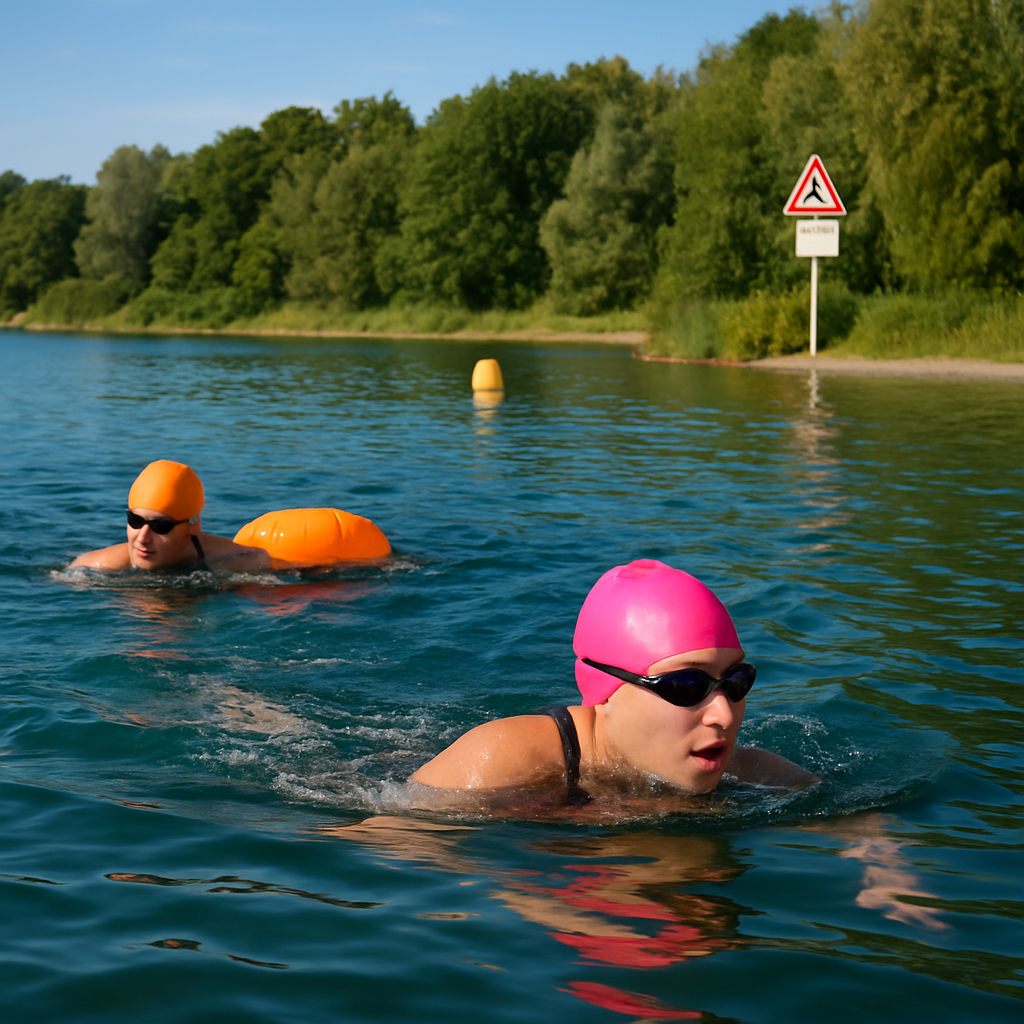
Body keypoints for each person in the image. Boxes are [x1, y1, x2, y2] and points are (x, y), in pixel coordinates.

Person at [411, 559, 818, 804]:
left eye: (735, 681)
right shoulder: (504, 759)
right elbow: (382, 850)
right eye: (686, 686)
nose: (724, 715)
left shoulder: (755, 773)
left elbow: (862, 829)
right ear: (606, 690)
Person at [69, 460, 270, 573]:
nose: (142, 538)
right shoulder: (93, 567)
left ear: (194, 525)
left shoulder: (239, 560)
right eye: (136, 521)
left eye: (160, 526)